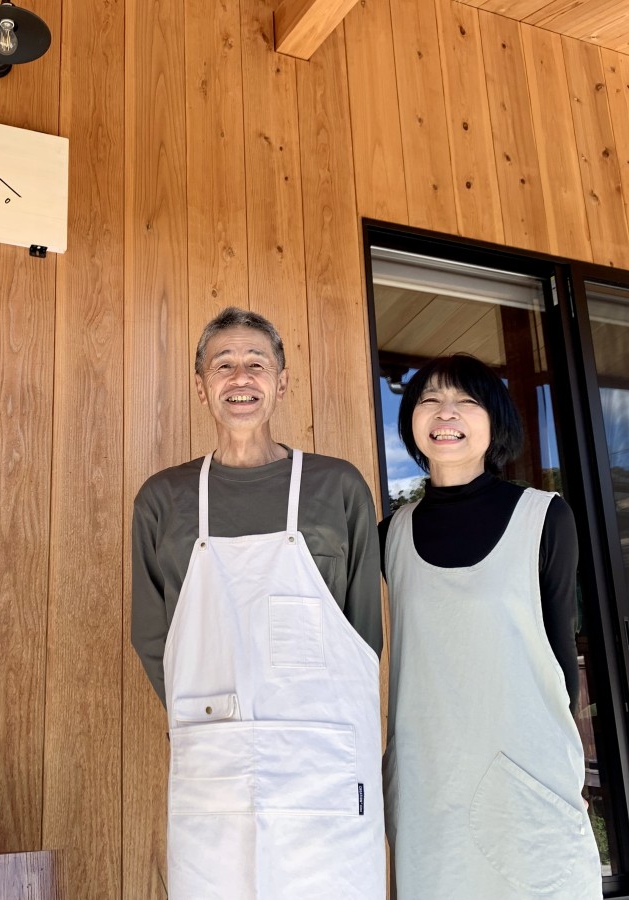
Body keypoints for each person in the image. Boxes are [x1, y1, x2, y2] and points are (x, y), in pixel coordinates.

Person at [130, 307, 385, 899]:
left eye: (256, 364)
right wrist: (210, 721)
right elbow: (152, 636)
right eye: (223, 365)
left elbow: (362, 634)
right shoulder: (164, 499)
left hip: (324, 756)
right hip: (213, 758)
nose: (240, 378)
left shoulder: (337, 487)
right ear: (201, 387)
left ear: (282, 380)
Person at [380, 354, 601, 899]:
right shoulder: (390, 533)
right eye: (429, 399)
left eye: (466, 400)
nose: (445, 411)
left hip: (524, 765)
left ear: (494, 420)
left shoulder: (543, 517)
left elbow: (556, 652)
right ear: (411, 420)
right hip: (427, 774)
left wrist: (561, 763)